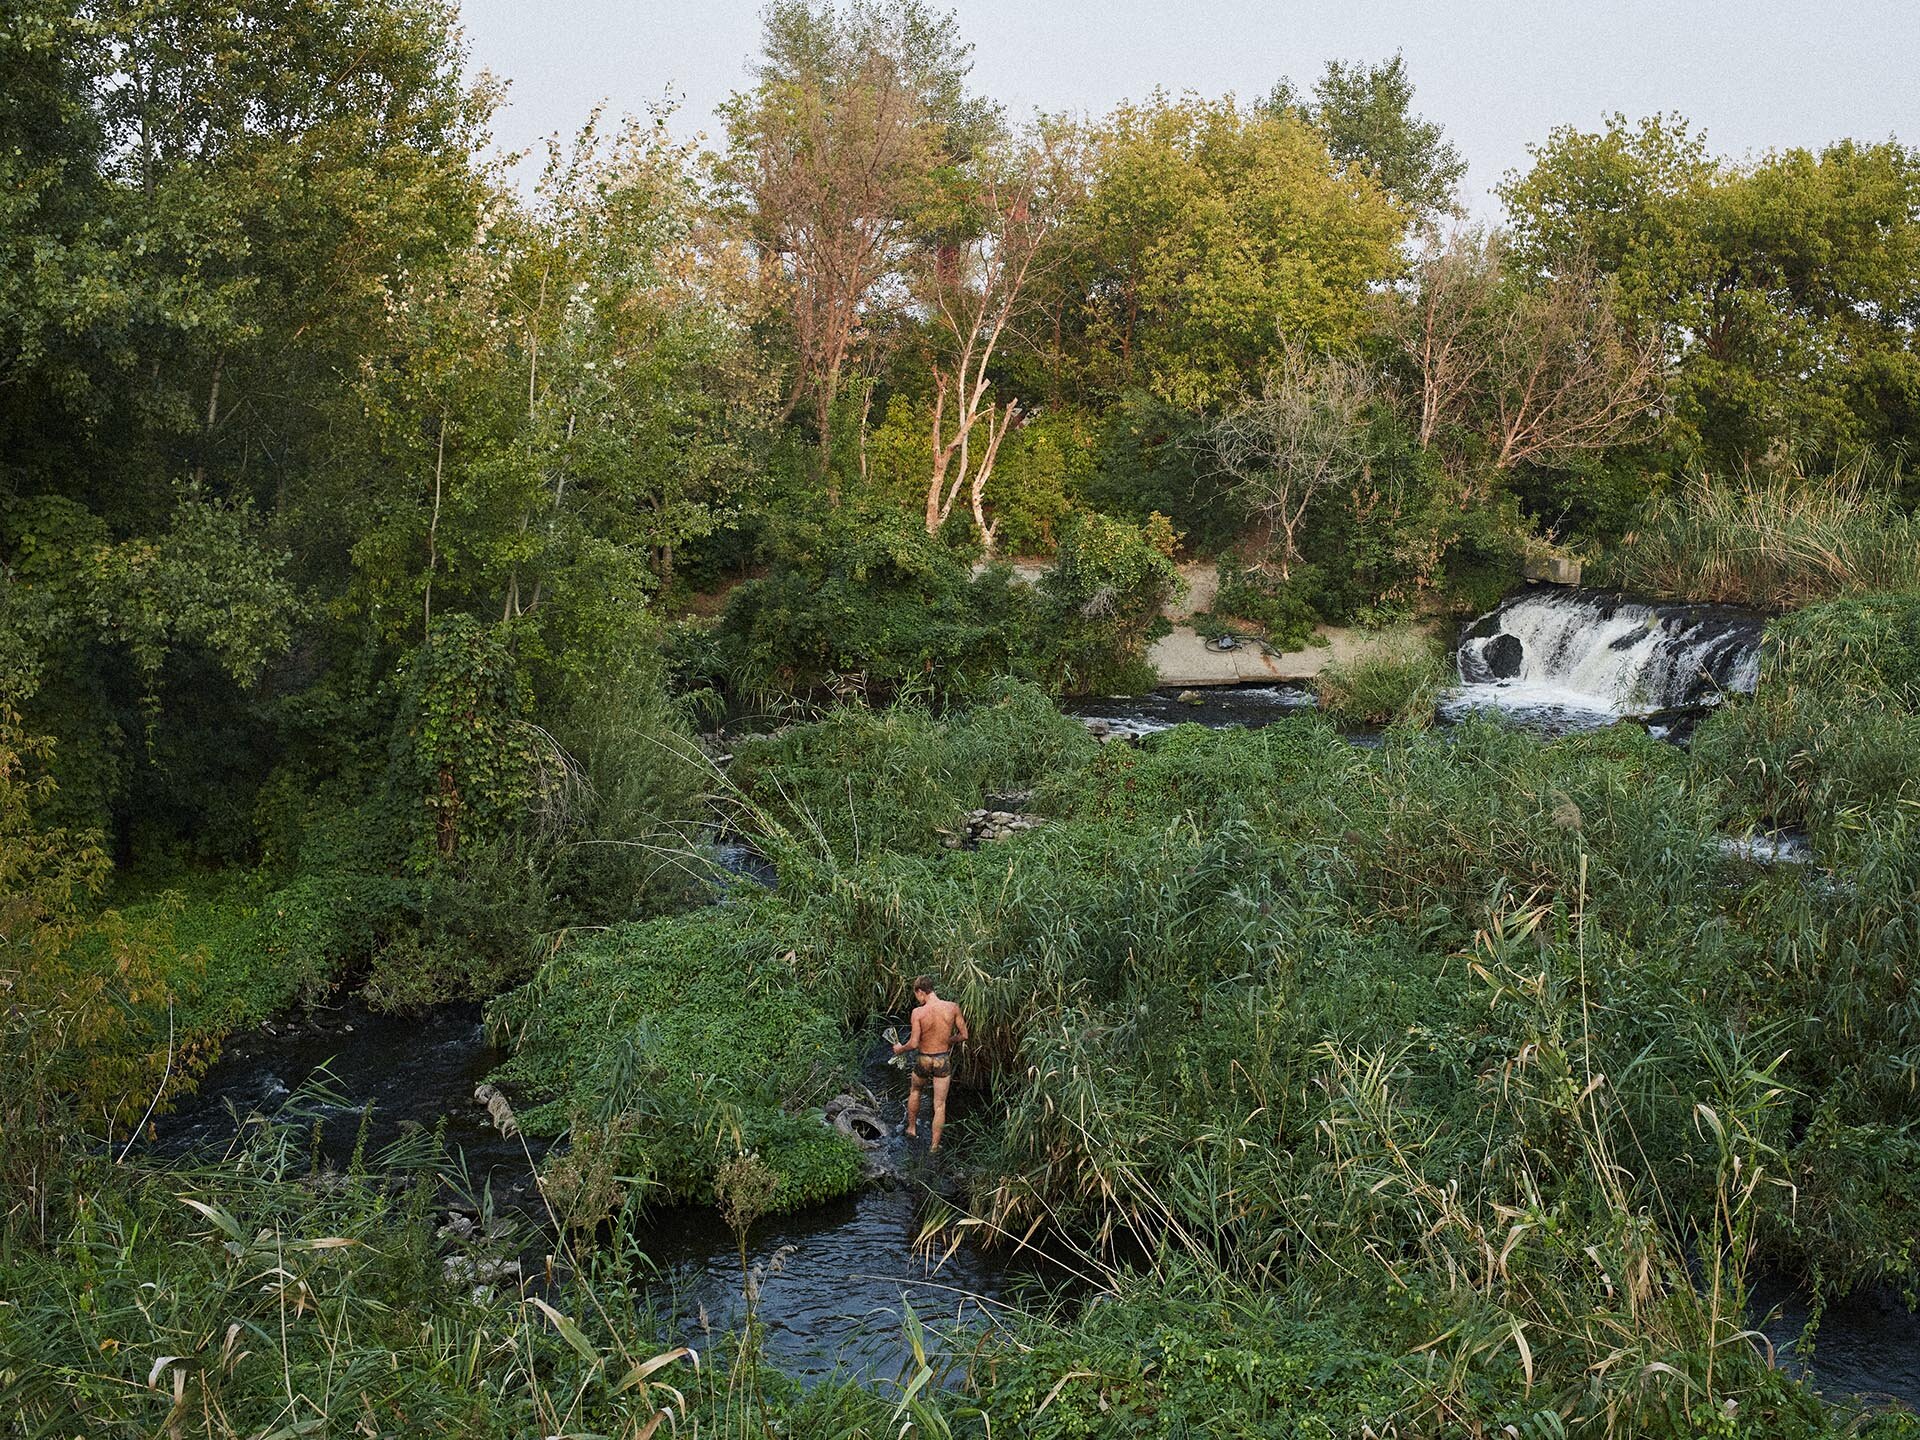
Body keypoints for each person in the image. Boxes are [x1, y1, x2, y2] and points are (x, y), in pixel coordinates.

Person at [891, 974, 968, 1151]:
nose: (917, 999)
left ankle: (911, 1129)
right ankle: (934, 1146)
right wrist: (948, 1041)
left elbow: (914, 1043)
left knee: (915, 1090)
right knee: (940, 1105)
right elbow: (964, 1035)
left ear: (920, 992)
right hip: (942, 1059)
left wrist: (899, 1048)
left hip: (923, 1059)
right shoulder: (952, 1007)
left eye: (916, 995)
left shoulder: (918, 1013)